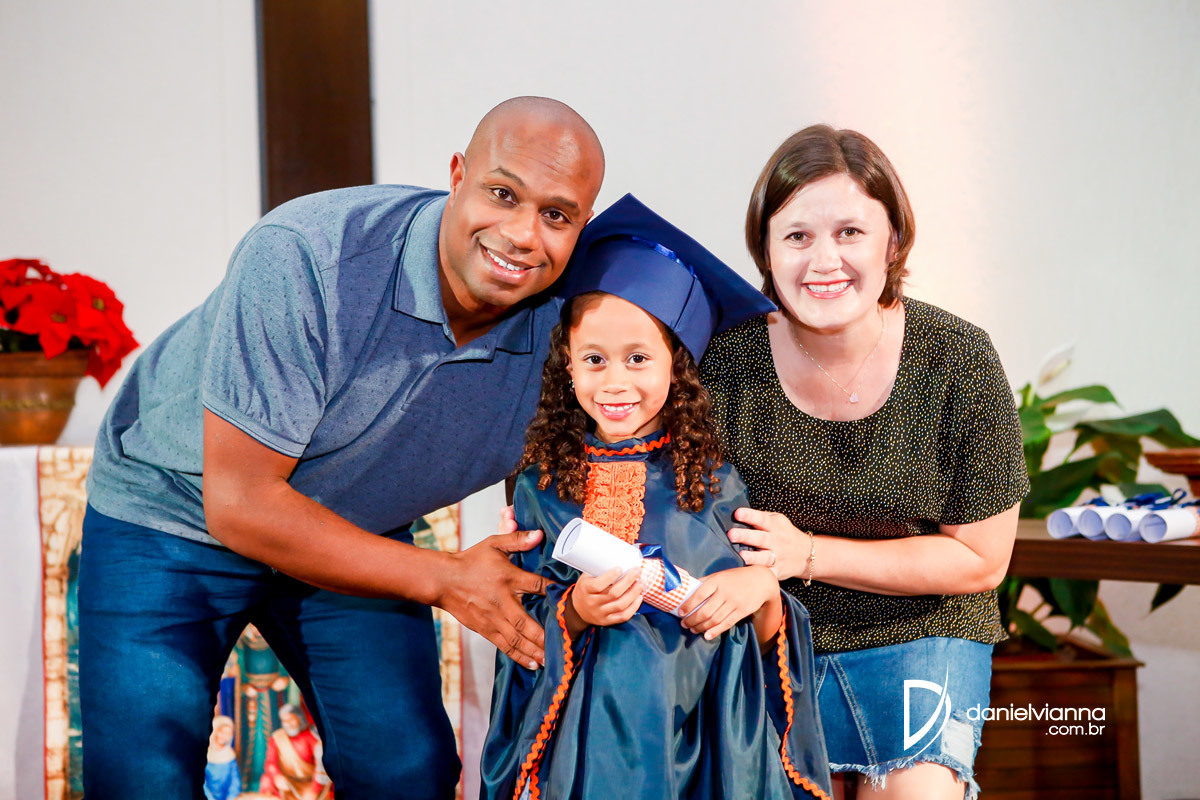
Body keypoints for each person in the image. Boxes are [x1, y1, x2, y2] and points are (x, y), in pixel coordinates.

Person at [78, 96, 605, 799]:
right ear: (457, 175)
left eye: (556, 215)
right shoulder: (309, 256)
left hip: (355, 520)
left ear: (582, 227)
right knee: (141, 778)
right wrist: (446, 577)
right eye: (503, 194)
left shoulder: (574, 333)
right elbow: (241, 504)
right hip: (172, 508)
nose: (521, 234)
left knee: (407, 771)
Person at [699, 125, 1029, 799]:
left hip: (926, 630)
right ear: (766, 248)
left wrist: (807, 553)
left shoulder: (958, 358)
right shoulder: (724, 360)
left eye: (850, 231)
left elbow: (981, 561)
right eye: (797, 236)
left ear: (893, 241)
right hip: (770, 632)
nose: (824, 260)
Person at [481, 195, 832, 800]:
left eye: (639, 358)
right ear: (568, 366)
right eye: (594, 359)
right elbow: (519, 632)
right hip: (580, 756)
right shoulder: (542, 487)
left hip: (696, 747)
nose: (615, 381)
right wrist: (575, 610)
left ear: (677, 366)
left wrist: (762, 590)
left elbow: (758, 637)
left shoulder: (713, 482)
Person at [259, 705, 331, 800]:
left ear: (299, 719)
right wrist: (277, 777)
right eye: (284, 721)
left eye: (291, 719)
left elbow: (321, 768)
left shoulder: (313, 737)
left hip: (310, 784)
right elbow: (270, 762)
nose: (288, 724)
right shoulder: (277, 737)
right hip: (288, 783)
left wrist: (314, 791)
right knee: (266, 780)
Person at [203, 715, 241, 800]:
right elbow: (202, 783)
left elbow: (234, 781)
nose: (224, 736)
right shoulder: (204, 753)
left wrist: (230, 797)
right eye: (222, 732)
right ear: (215, 731)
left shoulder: (230, 755)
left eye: (228, 734)